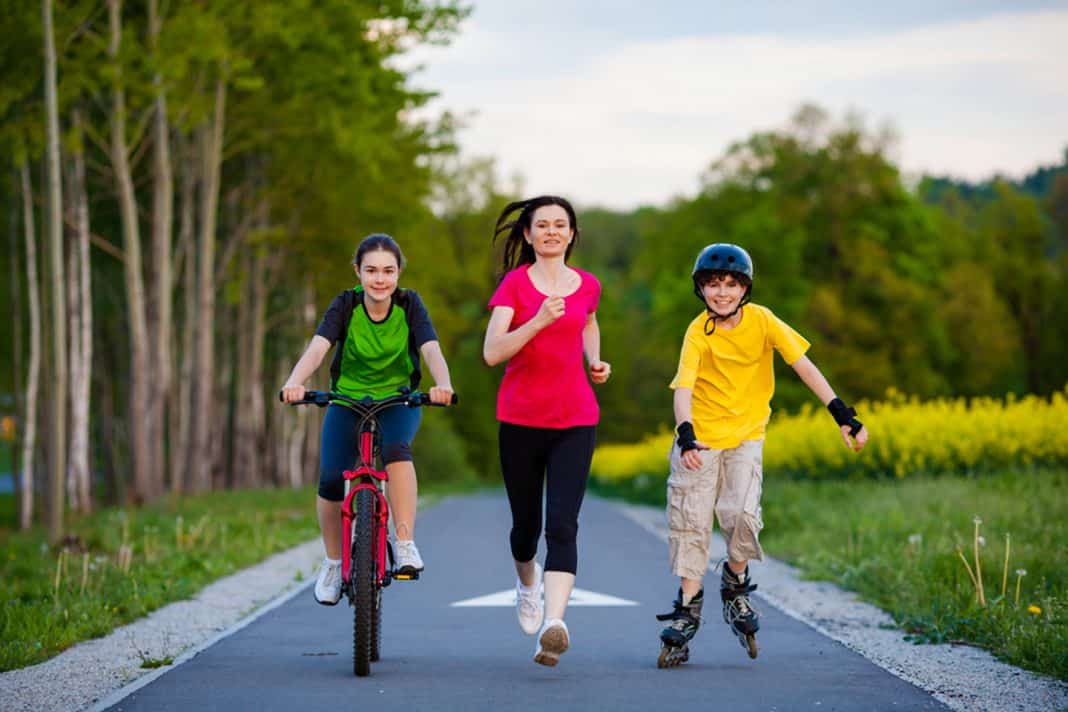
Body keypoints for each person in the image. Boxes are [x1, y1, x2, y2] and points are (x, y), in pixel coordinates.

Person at [656, 243, 869, 666]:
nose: (722, 293)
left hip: (745, 437)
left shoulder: (763, 320)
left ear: (745, 288)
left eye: (731, 285)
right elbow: (683, 388)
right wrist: (685, 434)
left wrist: (841, 412)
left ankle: (735, 584)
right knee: (691, 520)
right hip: (699, 440)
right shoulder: (698, 331)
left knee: (741, 515)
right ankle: (689, 605)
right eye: (713, 284)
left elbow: (803, 365)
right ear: (701, 289)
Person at [281, 234, 454, 606]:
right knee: (330, 478)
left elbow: (430, 348)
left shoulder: (410, 305)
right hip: (346, 399)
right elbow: (318, 349)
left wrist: (444, 384)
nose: (380, 279)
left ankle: (404, 543)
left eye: (388, 271)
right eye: (371, 270)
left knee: (396, 450)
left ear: (398, 274)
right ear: (358, 272)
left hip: (398, 400)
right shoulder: (346, 305)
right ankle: (331, 562)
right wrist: (295, 382)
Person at [482, 196, 611, 667]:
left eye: (561, 225)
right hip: (520, 420)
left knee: (563, 524)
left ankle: (554, 626)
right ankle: (527, 583)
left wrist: (593, 359)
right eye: (543, 225)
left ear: (572, 234)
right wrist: (537, 320)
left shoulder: (588, 286)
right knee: (525, 530)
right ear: (529, 235)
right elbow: (492, 352)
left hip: (576, 419)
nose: (552, 232)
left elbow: (589, 323)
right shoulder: (514, 287)